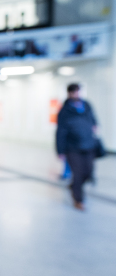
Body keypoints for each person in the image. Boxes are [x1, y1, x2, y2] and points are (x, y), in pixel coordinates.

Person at [56, 83, 97, 211]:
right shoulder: (64, 110)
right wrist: (60, 150)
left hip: (88, 145)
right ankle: (79, 200)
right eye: (74, 92)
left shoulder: (87, 105)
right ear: (69, 93)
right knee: (78, 174)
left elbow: (93, 120)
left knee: (88, 172)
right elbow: (60, 131)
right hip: (72, 147)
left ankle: (73, 186)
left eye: (78, 92)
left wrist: (95, 126)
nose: (77, 94)